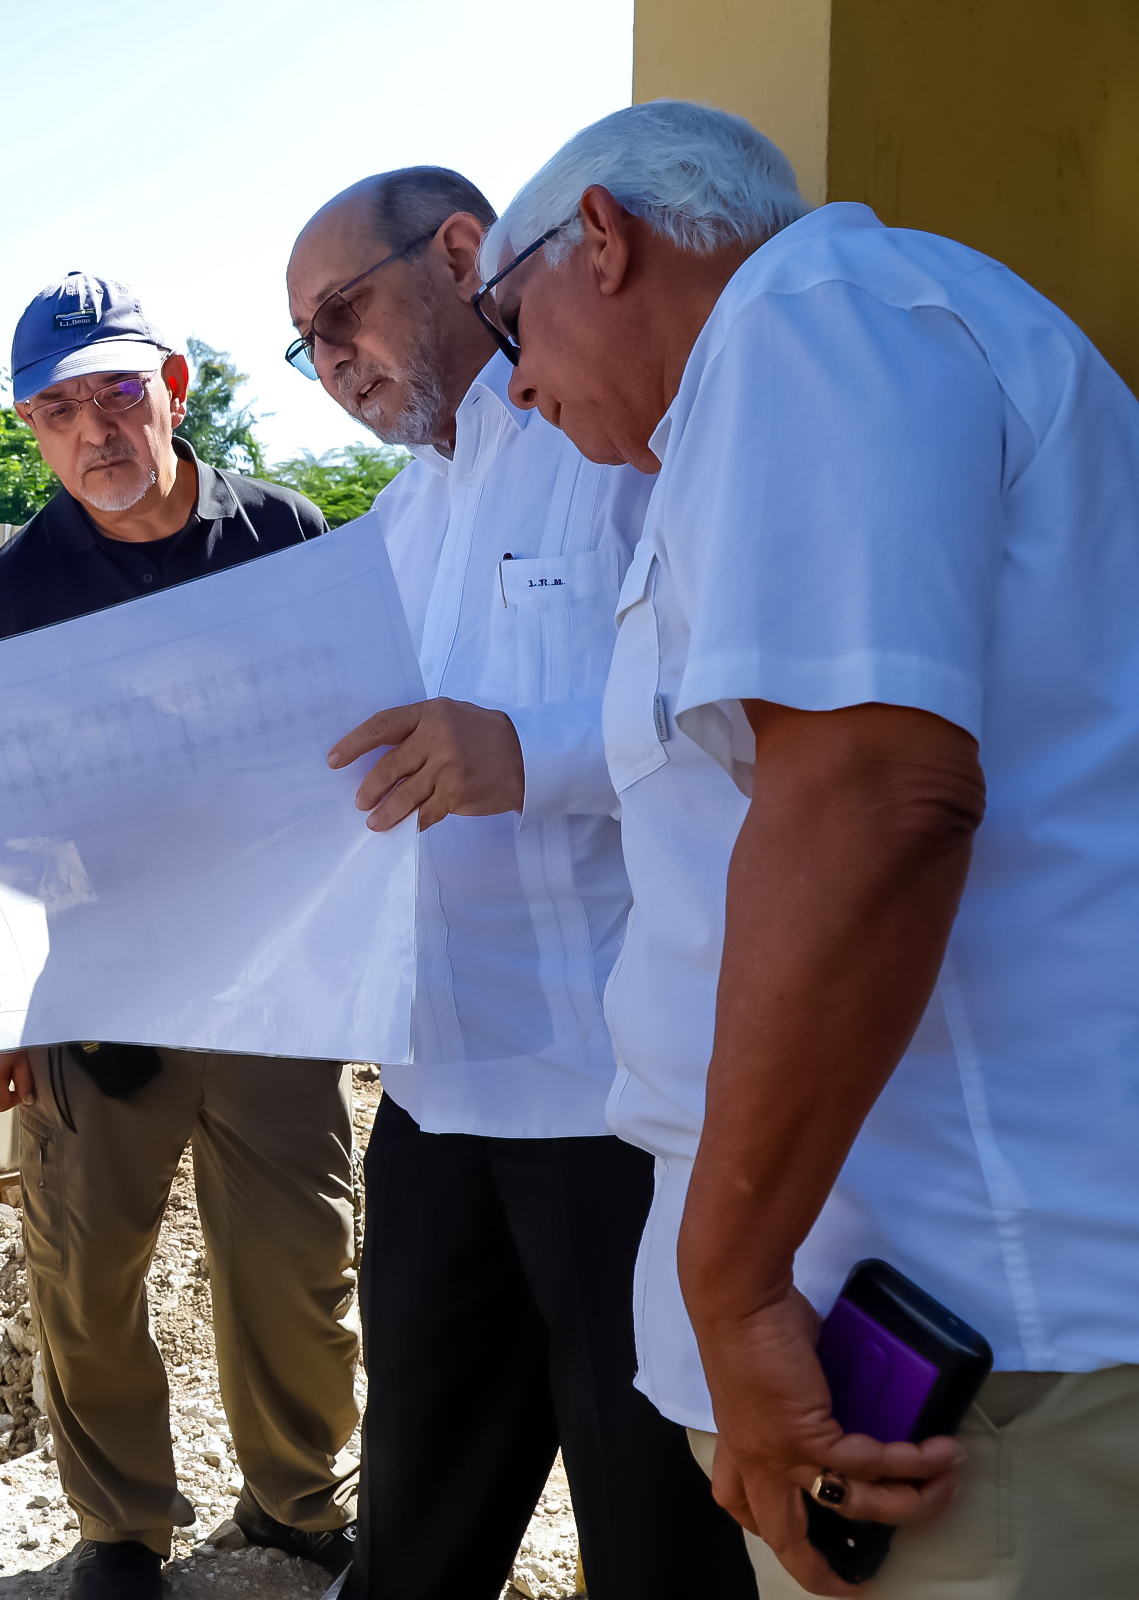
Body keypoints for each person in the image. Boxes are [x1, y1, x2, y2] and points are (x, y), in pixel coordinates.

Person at [490, 99, 1139, 1595]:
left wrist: (733, 1284)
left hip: (973, 1338)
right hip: (935, 1309)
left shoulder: (810, 318)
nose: (515, 384)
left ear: (603, 239)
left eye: (507, 321)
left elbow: (873, 801)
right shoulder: (798, 374)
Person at [287, 169, 753, 1599]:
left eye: (342, 312)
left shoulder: (622, 438)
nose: (331, 362)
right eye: (306, 345)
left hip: (615, 1108)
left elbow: (730, 715)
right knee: (416, 1527)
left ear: (463, 252)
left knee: (653, 1531)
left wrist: (529, 754)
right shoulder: (395, 524)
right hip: (434, 1097)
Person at [0, 274, 358, 1600]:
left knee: (298, 1262)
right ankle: (121, 1531)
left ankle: (301, 1503)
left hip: (271, 984)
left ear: (173, 387)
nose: (95, 429)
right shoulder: (16, 593)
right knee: (85, 1276)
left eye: (118, 392)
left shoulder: (284, 534)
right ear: (31, 431)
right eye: (58, 408)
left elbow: (353, 739)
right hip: (99, 992)